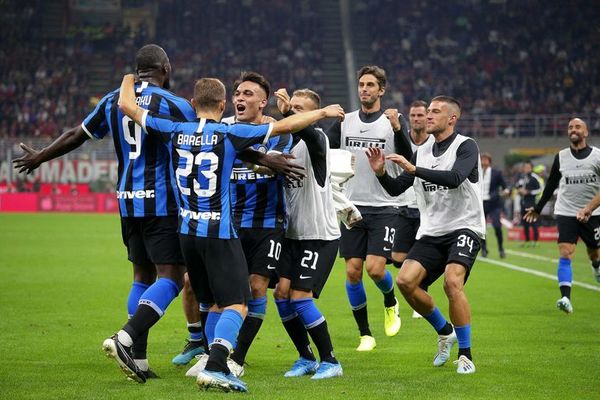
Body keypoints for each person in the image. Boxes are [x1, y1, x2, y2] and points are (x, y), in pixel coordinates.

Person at [117, 73, 344, 391]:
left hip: (253, 225)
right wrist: (320, 114)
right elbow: (279, 130)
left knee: (250, 290)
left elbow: (126, 104)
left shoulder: (185, 130)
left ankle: (227, 358)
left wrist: (130, 77)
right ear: (224, 102)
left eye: (247, 93)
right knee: (220, 297)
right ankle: (213, 358)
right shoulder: (229, 131)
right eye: (236, 93)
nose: (240, 98)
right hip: (227, 226)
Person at [13, 44, 196, 381]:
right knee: (170, 276)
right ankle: (125, 338)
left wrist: (41, 155)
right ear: (165, 69)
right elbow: (205, 139)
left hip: (127, 200)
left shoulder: (114, 98)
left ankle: (138, 361)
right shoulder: (177, 105)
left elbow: (75, 135)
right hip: (163, 202)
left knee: (141, 276)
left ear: (137, 69)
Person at [366, 96, 484, 374]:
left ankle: (465, 355)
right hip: (432, 231)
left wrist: (415, 169)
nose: (428, 116)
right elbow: (396, 189)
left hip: (464, 226)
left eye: (435, 112)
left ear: (452, 118)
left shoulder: (466, 146)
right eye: (427, 111)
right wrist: (381, 173)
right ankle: (445, 331)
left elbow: (455, 178)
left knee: (452, 283)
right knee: (405, 282)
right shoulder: (422, 152)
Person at [326, 65, 408, 351]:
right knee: (352, 271)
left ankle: (390, 300)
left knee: (375, 270)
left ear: (381, 90)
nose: (364, 89)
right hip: (351, 206)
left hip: (385, 205)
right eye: (361, 84)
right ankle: (365, 334)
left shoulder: (391, 122)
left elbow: (408, 157)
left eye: (370, 85)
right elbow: (324, 151)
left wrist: (399, 129)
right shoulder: (344, 121)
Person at [272, 87, 343, 379]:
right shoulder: (285, 144)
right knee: (281, 294)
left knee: (301, 297)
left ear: (313, 114)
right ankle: (305, 357)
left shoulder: (318, 140)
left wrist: (287, 111)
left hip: (319, 235)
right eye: (293, 107)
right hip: (292, 236)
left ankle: (331, 361)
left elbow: (308, 132)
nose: (294, 111)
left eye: (301, 109)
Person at [524, 118, 600, 314]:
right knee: (565, 251)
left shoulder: (597, 156)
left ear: (586, 132)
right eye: (570, 127)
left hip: (594, 213)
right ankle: (565, 297)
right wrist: (538, 208)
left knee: (595, 254)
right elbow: (551, 184)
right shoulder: (562, 156)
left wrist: (588, 209)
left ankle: (596, 265)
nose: (573, 130)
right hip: (566, 211)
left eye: (577, 127)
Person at [390, 100, 432, 319]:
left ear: (427, 117)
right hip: (404, 205)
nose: (417, 119)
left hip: (426, 208)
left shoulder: (434, 142)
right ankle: (413, 282)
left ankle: (420, 292)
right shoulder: (401, 138)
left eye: (420, 115)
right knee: (398, 256)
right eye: (413, 115)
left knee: (421, 255)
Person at [480, 152, 508, 258]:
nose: (483, 162)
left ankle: (501, 248)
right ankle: (484, 249)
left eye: (486, 160)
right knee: (481, 228)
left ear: (489, 161)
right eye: (482, 160)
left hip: (493, 203)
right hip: (481, 203)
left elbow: (504, 186)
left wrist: (506, 191)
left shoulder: (496, 173)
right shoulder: (477, 172)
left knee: (497, 226)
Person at [515, 161, 543, 246]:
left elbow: (540, 189)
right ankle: (527, 240)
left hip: (531, 203)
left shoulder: (535, 178)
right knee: (524, 223)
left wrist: (529, 192)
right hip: (523, 202)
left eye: (528, 167)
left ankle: (535, 241)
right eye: (525, 167)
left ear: (531, 168)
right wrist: (519, 189)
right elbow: (517, 185)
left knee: (533, 222)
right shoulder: (522, 177)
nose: (526, 169)